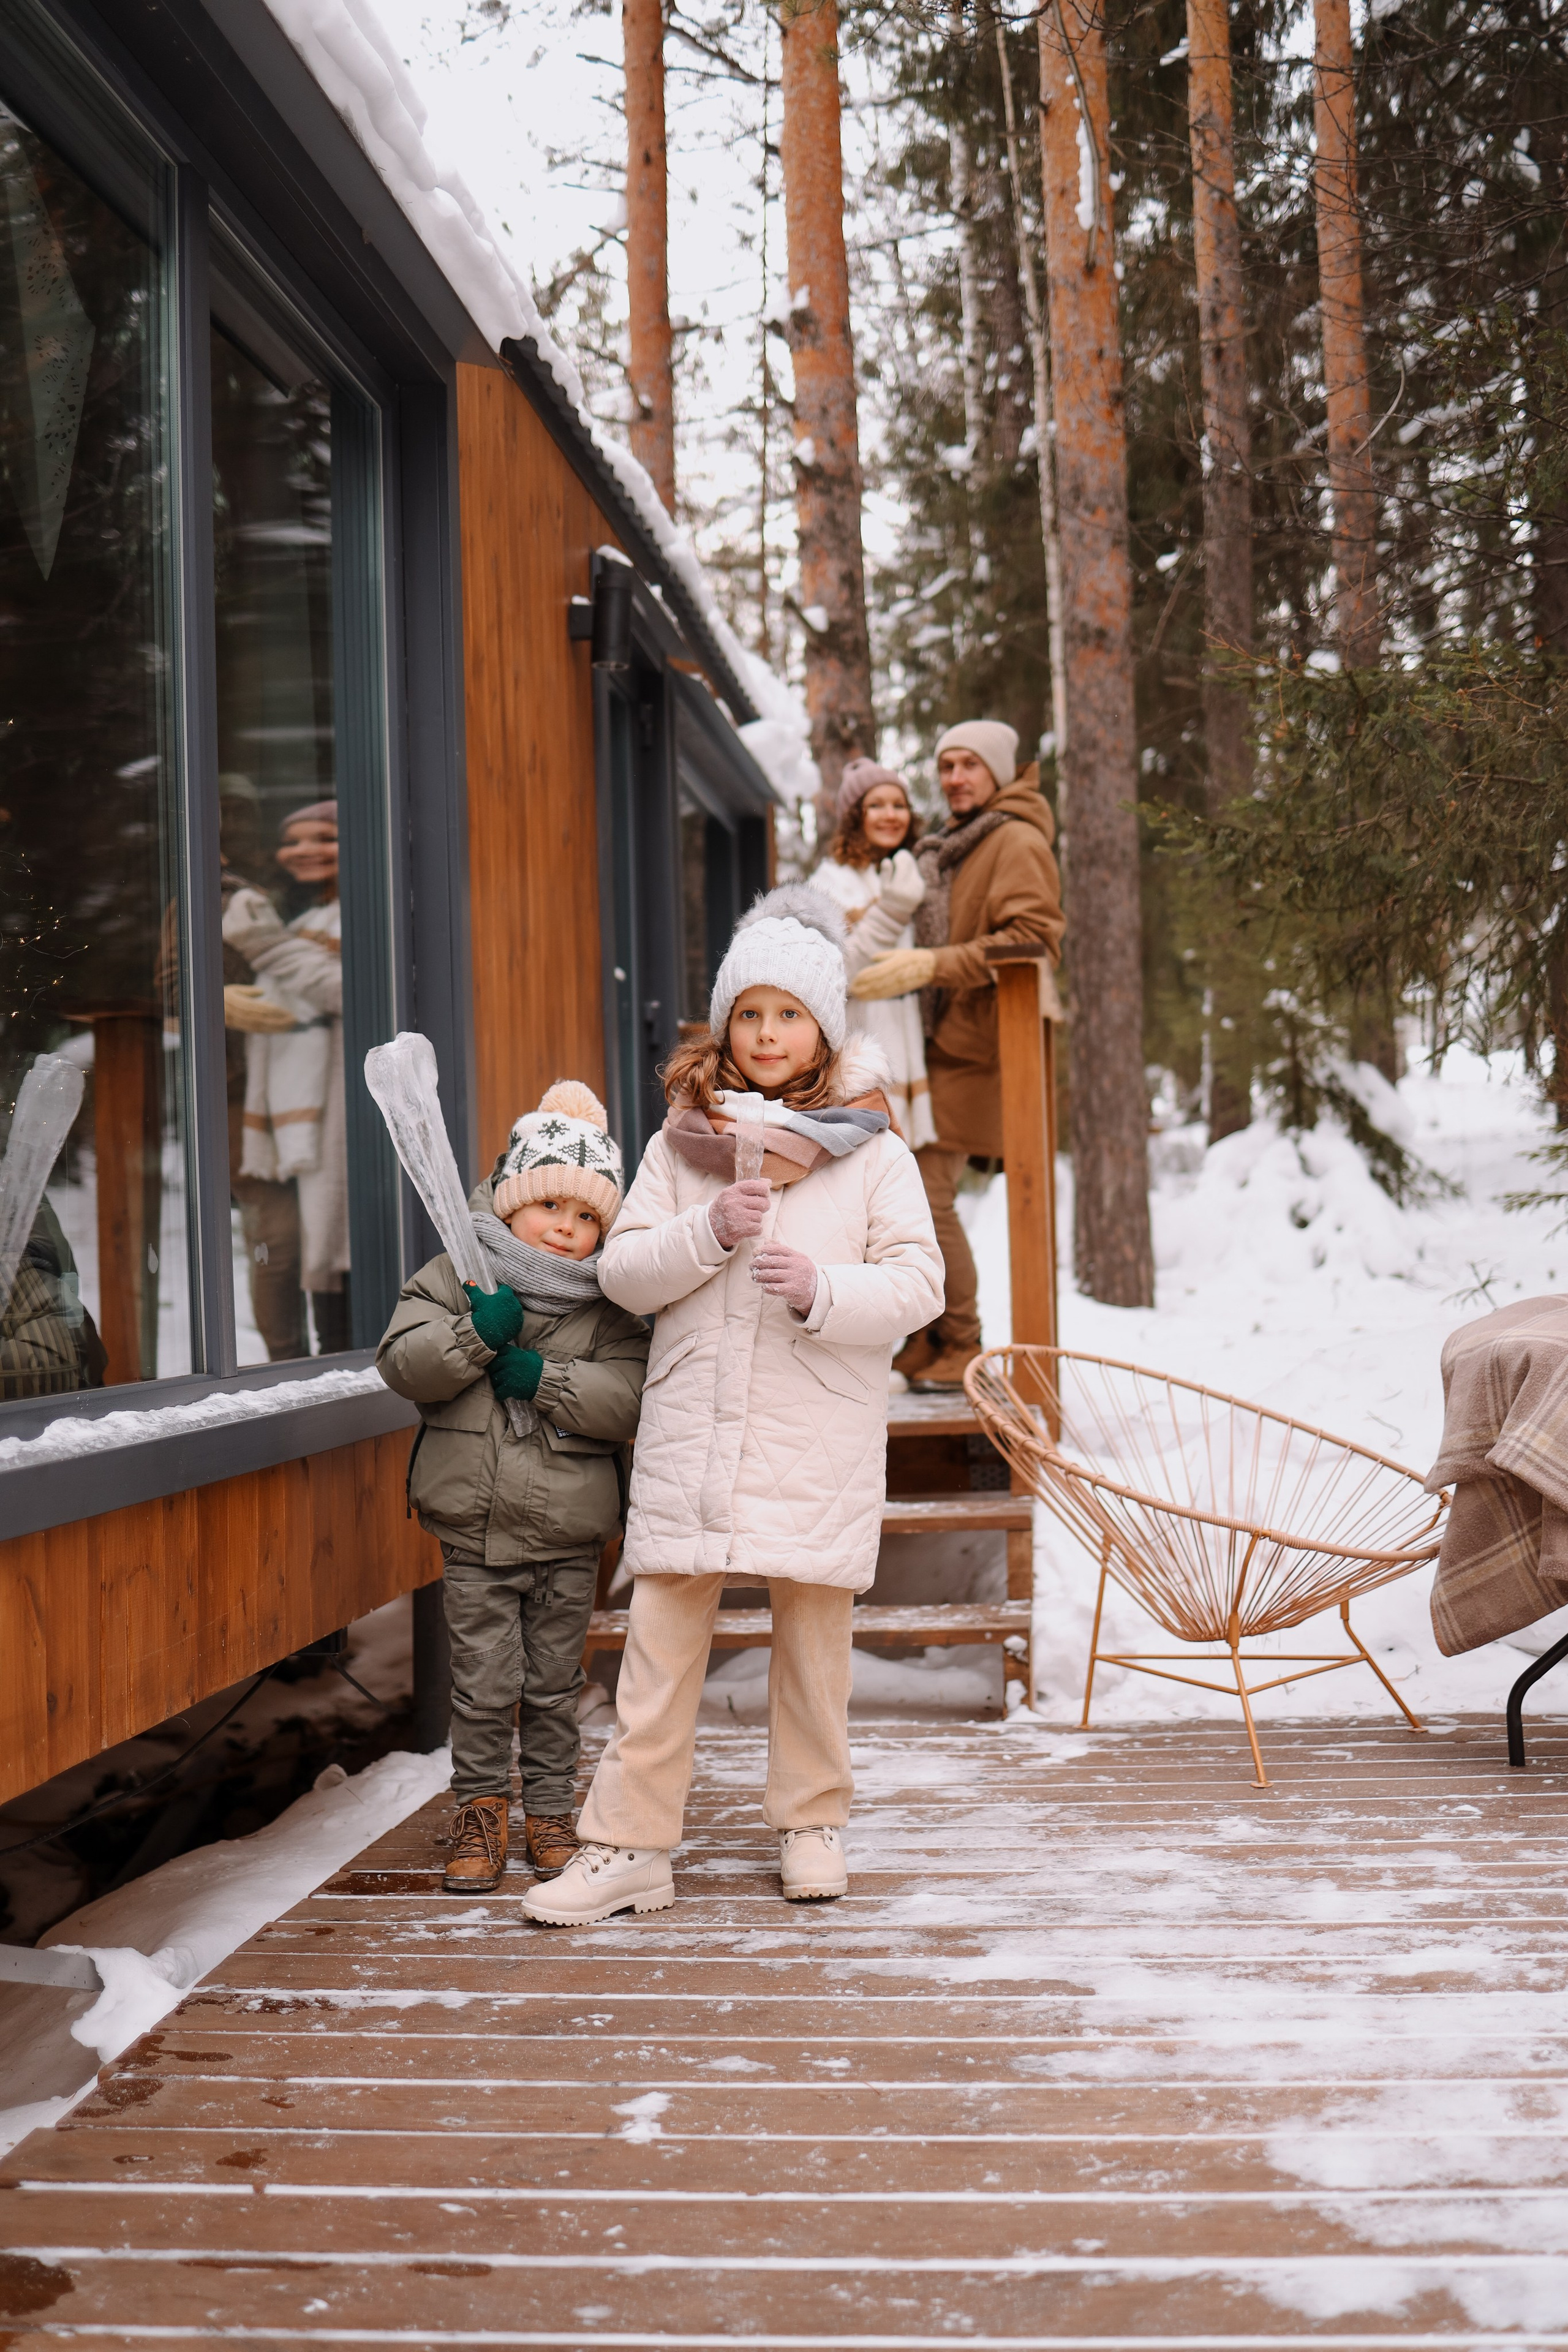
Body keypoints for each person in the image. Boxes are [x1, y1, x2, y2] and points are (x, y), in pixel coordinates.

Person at [520, 886, 943, 1930]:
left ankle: (811, 1823)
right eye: (749, 1014)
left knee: (813, 1643)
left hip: (817, 1423)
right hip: (695, 1423)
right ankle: (628, 1846)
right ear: (726, 1025)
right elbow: (623, 1274)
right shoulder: (679, 1144)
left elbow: (921, 1283)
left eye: (788, 1015)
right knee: (661, 1643)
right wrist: (708, 1229)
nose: (766, 1035)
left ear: (825, 1028)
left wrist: (822, 1292)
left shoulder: (874, 1151)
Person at [377, 1080, 650, 1894]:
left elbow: (632, 1397)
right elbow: (404, 1363)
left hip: (569, 1534)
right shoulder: (455, 1278)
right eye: (548, 1207)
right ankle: (479, 1810)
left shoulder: (613, 1310)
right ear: (509, 1201)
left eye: (587, 1216)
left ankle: (551, 1812)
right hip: (475, 1529)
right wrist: (474, 1333)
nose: (564, 1227)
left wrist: (545, 1378)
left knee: (555, 1684)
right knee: (484, 1683)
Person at [851, 720, 1063, 1390]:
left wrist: (929, 967)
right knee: (909, 1197)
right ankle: (929, 1335)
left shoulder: (1016, 841)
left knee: (932, 1199)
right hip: (940, 1044)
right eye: (946, 766)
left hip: (986, 1046)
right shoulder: (955, 844)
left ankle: (964, 1343)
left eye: (970, 765)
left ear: (999, 772)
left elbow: (1032, 938)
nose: (955, 779)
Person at [223, 800, 350, 1352]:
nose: (304, 851)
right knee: (285, 1252)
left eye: (322, 837)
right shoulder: (294, 915)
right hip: (288, 1117)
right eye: (293, 840)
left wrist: (268, 948)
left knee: (332, 1250)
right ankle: (299, 1374)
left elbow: (349, 989)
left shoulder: (368, 911)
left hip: (340, 1111)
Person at [812, 757, 937, 1152]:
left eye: (899, 805)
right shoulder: (830, 882)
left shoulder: (907, 870)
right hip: (859, 1041)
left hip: (909, 1039)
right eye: (877, 805)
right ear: (855, 816)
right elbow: (836, 972)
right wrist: (892, 912)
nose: (891, 815)